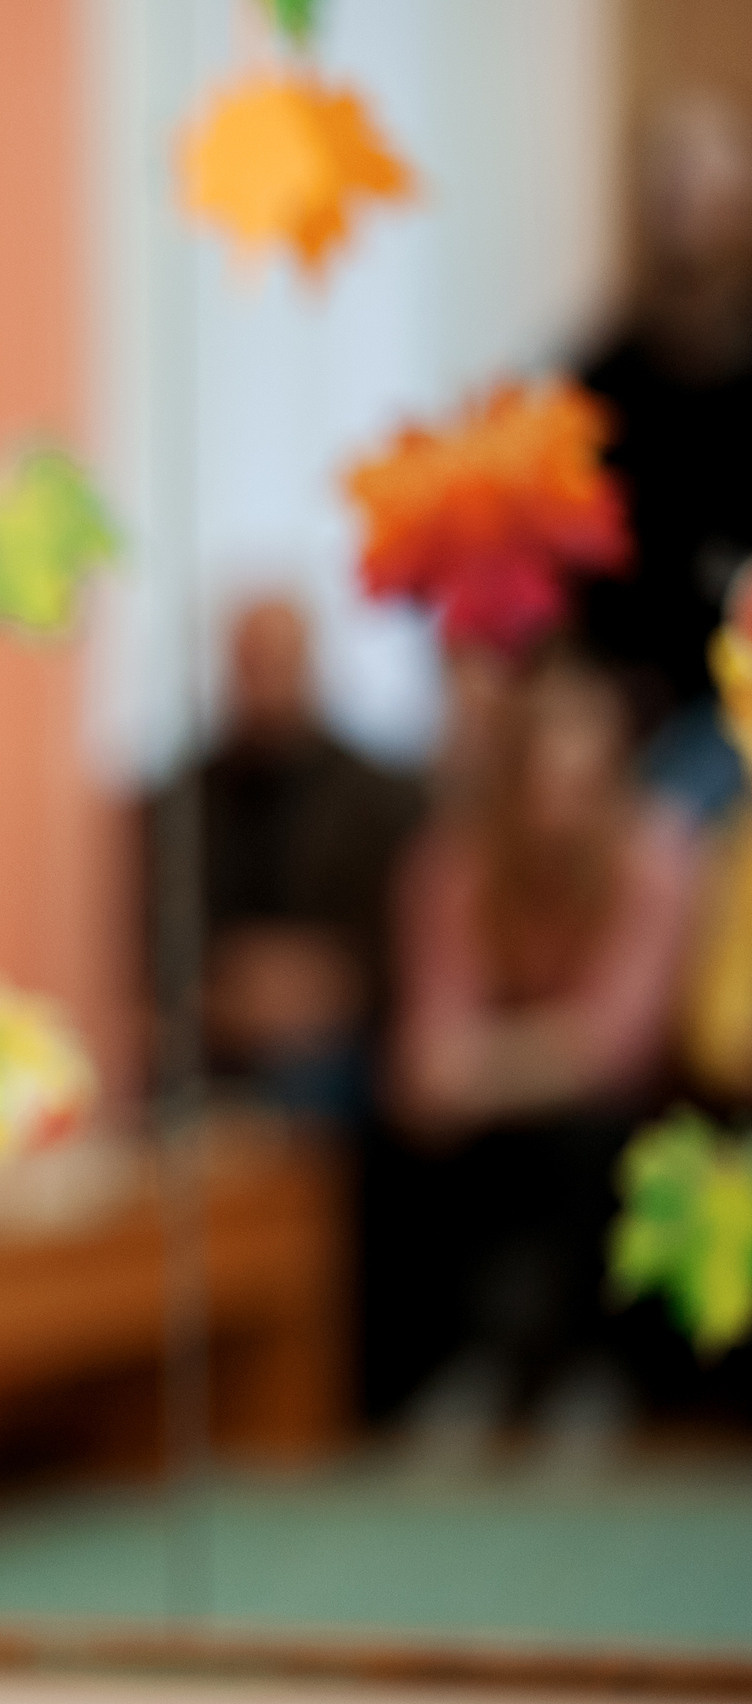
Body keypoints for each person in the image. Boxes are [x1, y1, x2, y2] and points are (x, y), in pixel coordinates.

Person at [382, 643, 702, 1461]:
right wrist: (501, 1068)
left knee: (588, 1141)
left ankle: (584, 1370)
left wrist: (486, 1067)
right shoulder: (452, 865)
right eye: (540, 783)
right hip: (491, 1109)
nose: (558, 809)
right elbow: (427, 1048)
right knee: (425, 1139)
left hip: (610, 1112)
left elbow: (618, 1044)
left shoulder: (657, 854)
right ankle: (472, 1365)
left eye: (581, 784)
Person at [162, 593, 422, 1127]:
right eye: (253, 662)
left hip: (345, 1042)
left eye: (281, 660)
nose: (267, 679)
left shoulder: (382, 798)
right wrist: (222, 995)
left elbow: (408, 941)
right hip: (214, 1031)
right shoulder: (183, 802)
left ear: (312, 664)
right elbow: (156, 934)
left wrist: (334, 985)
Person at [577, 93, 752, 823]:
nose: (681, 208)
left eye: (701, 186)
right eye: (667, 188)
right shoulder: (600, 384)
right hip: (629, 704)